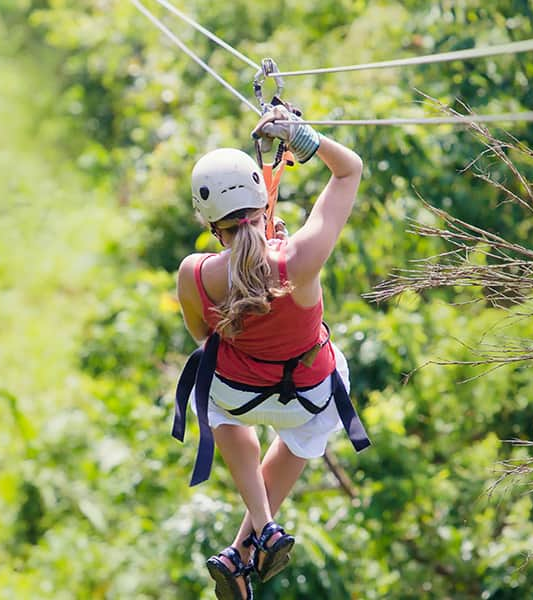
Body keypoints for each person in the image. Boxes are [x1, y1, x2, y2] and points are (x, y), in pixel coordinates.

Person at [173, 104, 368, 600]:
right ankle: (254, 536)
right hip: (307, 394)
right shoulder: (299, 259)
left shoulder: (194, 274)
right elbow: (350, 170)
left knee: (210, 393)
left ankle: (254, 538)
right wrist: (305, 139)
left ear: (210, 222)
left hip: (238, 395)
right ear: (264, 201)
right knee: (307, 428)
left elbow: (203, 336)